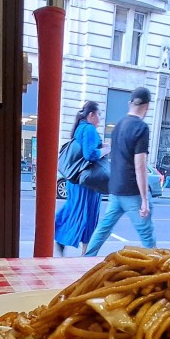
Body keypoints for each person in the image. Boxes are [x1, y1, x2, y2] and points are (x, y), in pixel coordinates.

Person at [84, 87, 156, 255]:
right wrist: (144, 199)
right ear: (147, 106)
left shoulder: (118, 126)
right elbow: (140, 165)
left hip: (116, 189)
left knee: (103, 229)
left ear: (130, 103)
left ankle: (86, 259)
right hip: (132, 191)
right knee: (147, 236)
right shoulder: (141, 128)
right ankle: (156, 267)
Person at [55, 101, 110, 255]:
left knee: (74, 209)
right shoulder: (90, 129)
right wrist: (106, 150)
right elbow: (90, 154)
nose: (99, 119)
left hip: (76, 180)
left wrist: (100, 146)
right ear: (91, 115)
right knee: (89, 215)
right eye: (99, 115)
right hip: (88, 182)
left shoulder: (80, 128)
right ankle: (86, 254)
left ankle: (61, 236)